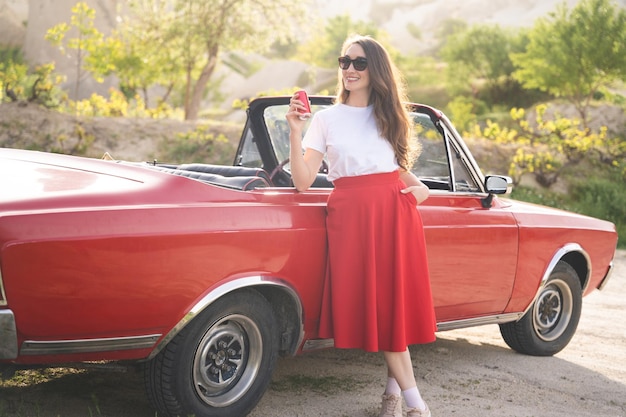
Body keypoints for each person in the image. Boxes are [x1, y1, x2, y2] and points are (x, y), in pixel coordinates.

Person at [285, 35, 437, 417]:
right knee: (381, 307)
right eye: (344, 61)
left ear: (375, 70)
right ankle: (409, 400)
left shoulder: (389, 116)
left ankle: (404, 399)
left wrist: (418, 192)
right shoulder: (327, 119)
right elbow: (303, 181)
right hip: (352, 218)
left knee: (393, 308)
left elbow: (395, 170)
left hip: (394, 215)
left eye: (359, 63)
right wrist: (294, 130)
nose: (350, 69)